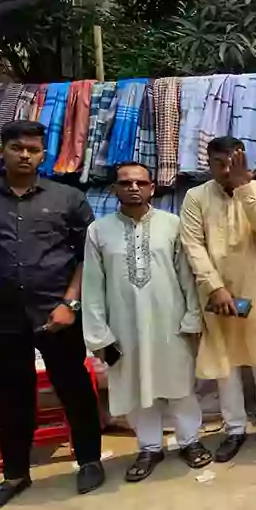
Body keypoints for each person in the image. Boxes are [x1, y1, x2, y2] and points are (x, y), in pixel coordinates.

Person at [0, 120, 104, 510]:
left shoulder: (68, 198)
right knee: (12, 395)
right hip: (0, 318)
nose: (25, 155)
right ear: (1, 151)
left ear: (43, 154)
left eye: (33, 149)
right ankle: (15, 475)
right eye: (17, 147)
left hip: (57, 314)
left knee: (74, 388)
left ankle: (89, 460)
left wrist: (70, 304)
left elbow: (88, 257)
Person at [81, 162, 213, 481]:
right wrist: (99, 336)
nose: (133, 188)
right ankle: (149, 447)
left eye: (140, 183)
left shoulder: (172, 224)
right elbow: (92, 286)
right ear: (115, 189)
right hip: (123, 328)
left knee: (180, 387)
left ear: (152, 188)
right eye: (126, 183)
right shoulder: (98, 231)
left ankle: (190, 441)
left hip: (171, 324)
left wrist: (192, 319)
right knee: (136, 389)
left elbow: (187, 276)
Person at [180, 136, 256, 462]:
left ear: (243, 160)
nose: (226, 170)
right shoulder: (196, 197)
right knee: (225, 363)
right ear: (209, 164)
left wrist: (243, 189)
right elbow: (193, 245)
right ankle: (235, 428)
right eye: (219, 164)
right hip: (216, 292)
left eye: (232, 163)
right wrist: (215, 287)